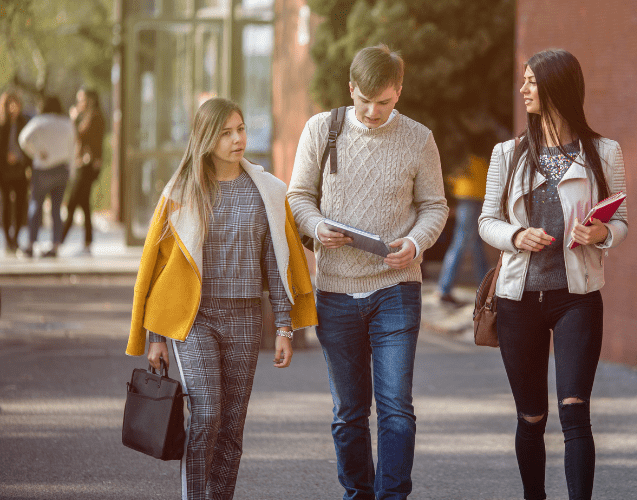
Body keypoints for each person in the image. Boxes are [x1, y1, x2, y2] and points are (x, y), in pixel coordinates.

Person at [125, 97, 318, 500]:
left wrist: (284, 326)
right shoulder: (181, 192)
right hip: (194, 318)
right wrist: (155, 336)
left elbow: (277, 263)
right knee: (207, 413)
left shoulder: (267, 191)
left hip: (246, 318)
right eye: (226, 132)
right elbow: (159, 269)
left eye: (241, 129)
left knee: (231, 425)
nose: (237, 139)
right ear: (206, 138)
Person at [287, 44, 448, 500]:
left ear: (399, 90)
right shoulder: (323, 129)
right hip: (336, 291)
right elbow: (299, 197)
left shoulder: (419, 138)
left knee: (396, 408)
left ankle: (392, 496)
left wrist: (415, 243)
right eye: (365, 101)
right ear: (351, 88)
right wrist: (317, 226)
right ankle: (357, 493)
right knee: (349, 413)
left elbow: (434, 206)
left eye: (385, 101)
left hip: (396, 288)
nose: (374, 112)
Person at [478, 49, 628, 500]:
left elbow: (620, 222)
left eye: (531, 81)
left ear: (557, 87)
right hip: (517, 300)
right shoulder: (507, 154)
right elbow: (487, 220)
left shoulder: (604, 152)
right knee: (531, 417)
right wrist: (516, 235)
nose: (523, 89)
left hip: (576, 298)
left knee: (575, 412)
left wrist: (602, 232)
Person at [17, 95, 74, 258]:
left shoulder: (39, 121)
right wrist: (71, 170)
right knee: (56, 209)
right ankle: (55, 245)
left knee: (36, 204)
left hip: (42, 169)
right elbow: (72, 148)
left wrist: (35, 152)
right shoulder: (66, 123)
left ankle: (30, 243)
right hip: (62, 169)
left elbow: (23, 139)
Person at [435, 138, 490, 306]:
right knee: (462, 243)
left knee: (476, 246)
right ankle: (444, 289)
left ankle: (485, 288)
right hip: (471, 201)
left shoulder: (465, 160)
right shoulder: (475, 161)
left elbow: (451, 181)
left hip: (469, 201)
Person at [62, 87, 106, 254]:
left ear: (90, 100)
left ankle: (58, 241)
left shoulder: (95, 117)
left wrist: (73, 119)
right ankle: (87, 241)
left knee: (72, 203)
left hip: (87, 167)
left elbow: (81, 136)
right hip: (83, 164)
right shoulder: (89, 116)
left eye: (81, 99)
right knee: (84, 205)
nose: (79, 103)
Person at [0, 91, 31, 253]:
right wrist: (6, 156)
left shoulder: (23, 122)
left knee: (20, 204)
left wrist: (22, 160)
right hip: (4, 171)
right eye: (10, 104)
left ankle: (17, 236)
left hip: (20, 170)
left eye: (16, 103)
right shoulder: (2, 124)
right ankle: (8, 239)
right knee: (6, 204)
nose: (13, 107)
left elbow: (29, 147)